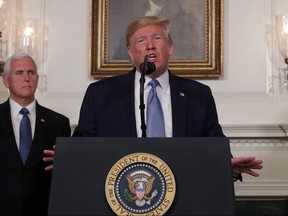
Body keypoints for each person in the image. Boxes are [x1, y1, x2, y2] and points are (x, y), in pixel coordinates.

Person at [44, 16, 263, 179]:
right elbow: (84, 142)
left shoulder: (198, 94)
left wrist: (226, 164)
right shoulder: (101, 93)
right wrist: (70, 157)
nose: (150, 45)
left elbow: (213, 141)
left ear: (170, 47)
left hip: (183, 189)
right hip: (121, 193)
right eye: (141, 41)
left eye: (157, 38)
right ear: (130, 53)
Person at [0, 53, 71, 215]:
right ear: (6, 80)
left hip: (43, 209)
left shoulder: (58, 123)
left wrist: (65, 160)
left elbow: (65, 176)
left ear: (37, 79)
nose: (26, 78)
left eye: (31, 73)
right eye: (19, 73)